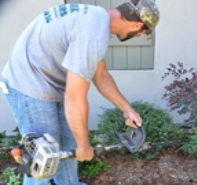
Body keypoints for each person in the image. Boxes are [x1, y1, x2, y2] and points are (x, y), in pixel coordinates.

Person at [1, 0, 159, 184]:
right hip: (30, 86)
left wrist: (127, 109)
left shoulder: (96, 20)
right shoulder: (93, 33)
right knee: (44, 160)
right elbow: (75, 97)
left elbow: (101, 75)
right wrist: (84, 146)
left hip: (49, 83)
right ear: (137, 24)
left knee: (67, 146)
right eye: (142, 32)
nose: (139, 36)